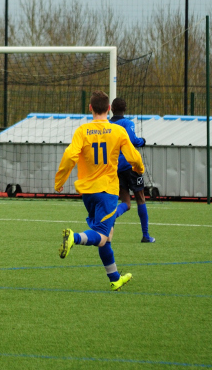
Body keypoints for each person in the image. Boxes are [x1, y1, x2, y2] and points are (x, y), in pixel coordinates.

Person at [55, 90, 144, 291]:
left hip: (88, 192)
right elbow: (133, 156)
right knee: (102, 236)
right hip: (107, 191)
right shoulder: (118, 131)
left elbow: (70, 156)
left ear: (90, 108)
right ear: (109, 109)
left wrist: (60, 180)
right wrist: (139, 168)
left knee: (106, 238)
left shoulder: (82, 131)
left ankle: (115, 279)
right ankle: (74, 237)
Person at [109, 97, 155, 243]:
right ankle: (145, 235)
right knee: (140, 197)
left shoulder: (108, 125)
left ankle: (112, 218)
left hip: (116, 167)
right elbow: (132, 140)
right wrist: (143, 141)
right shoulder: (127, 123)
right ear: (125, 109)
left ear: (111, 109)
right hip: (131, 165)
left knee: (126, 203)